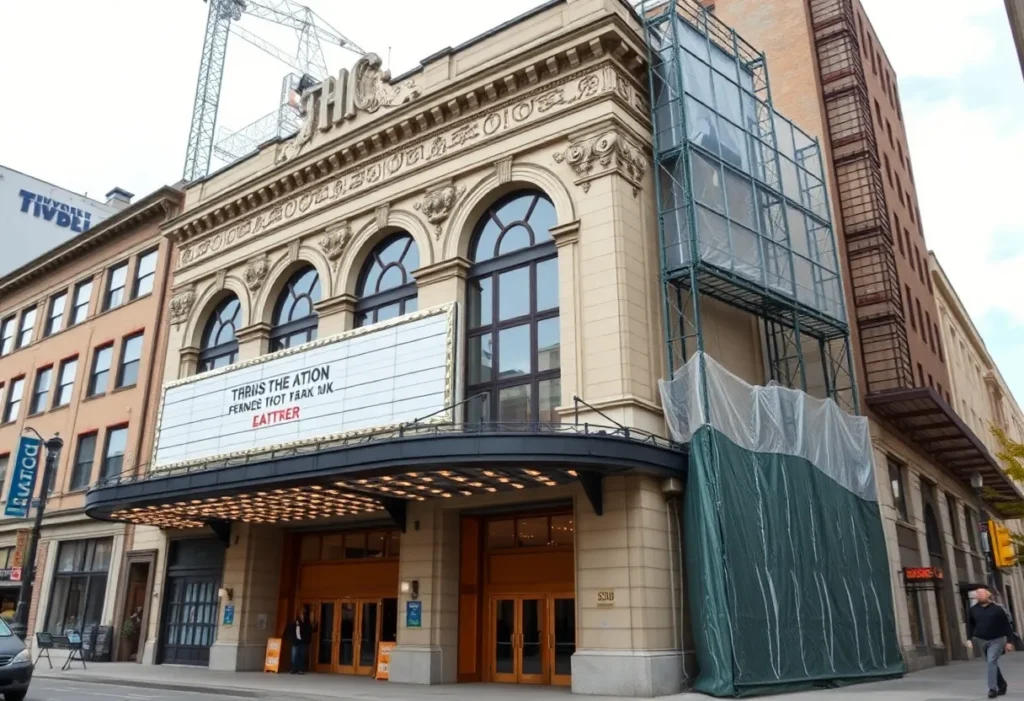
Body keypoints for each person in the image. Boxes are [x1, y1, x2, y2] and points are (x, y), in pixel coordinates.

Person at [967, 585, 1014, 698]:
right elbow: (970, 625)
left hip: (997, 639)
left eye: (982, 593)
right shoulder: (973, 610)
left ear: (988, 595)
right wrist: (969, 639)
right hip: (981, 640)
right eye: (978, 594)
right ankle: (1002, 684)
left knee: (991, 661)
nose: (980, 595)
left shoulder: (998, 608)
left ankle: (992, 689)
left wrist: (1009, 641)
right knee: (991, 663)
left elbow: (1006, 625)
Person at [287, 609, 314, 675]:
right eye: (301, 615)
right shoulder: (294, 623)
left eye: (303, 615)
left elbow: (309, 632)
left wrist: (308, 641)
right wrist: (292, 640)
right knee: (294, 656)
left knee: (302, 656)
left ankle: (301, 669)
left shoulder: (307, 623)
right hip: (295, 642)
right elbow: (291, 632)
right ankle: (293, 669)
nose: (302, 616)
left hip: (303, 642)